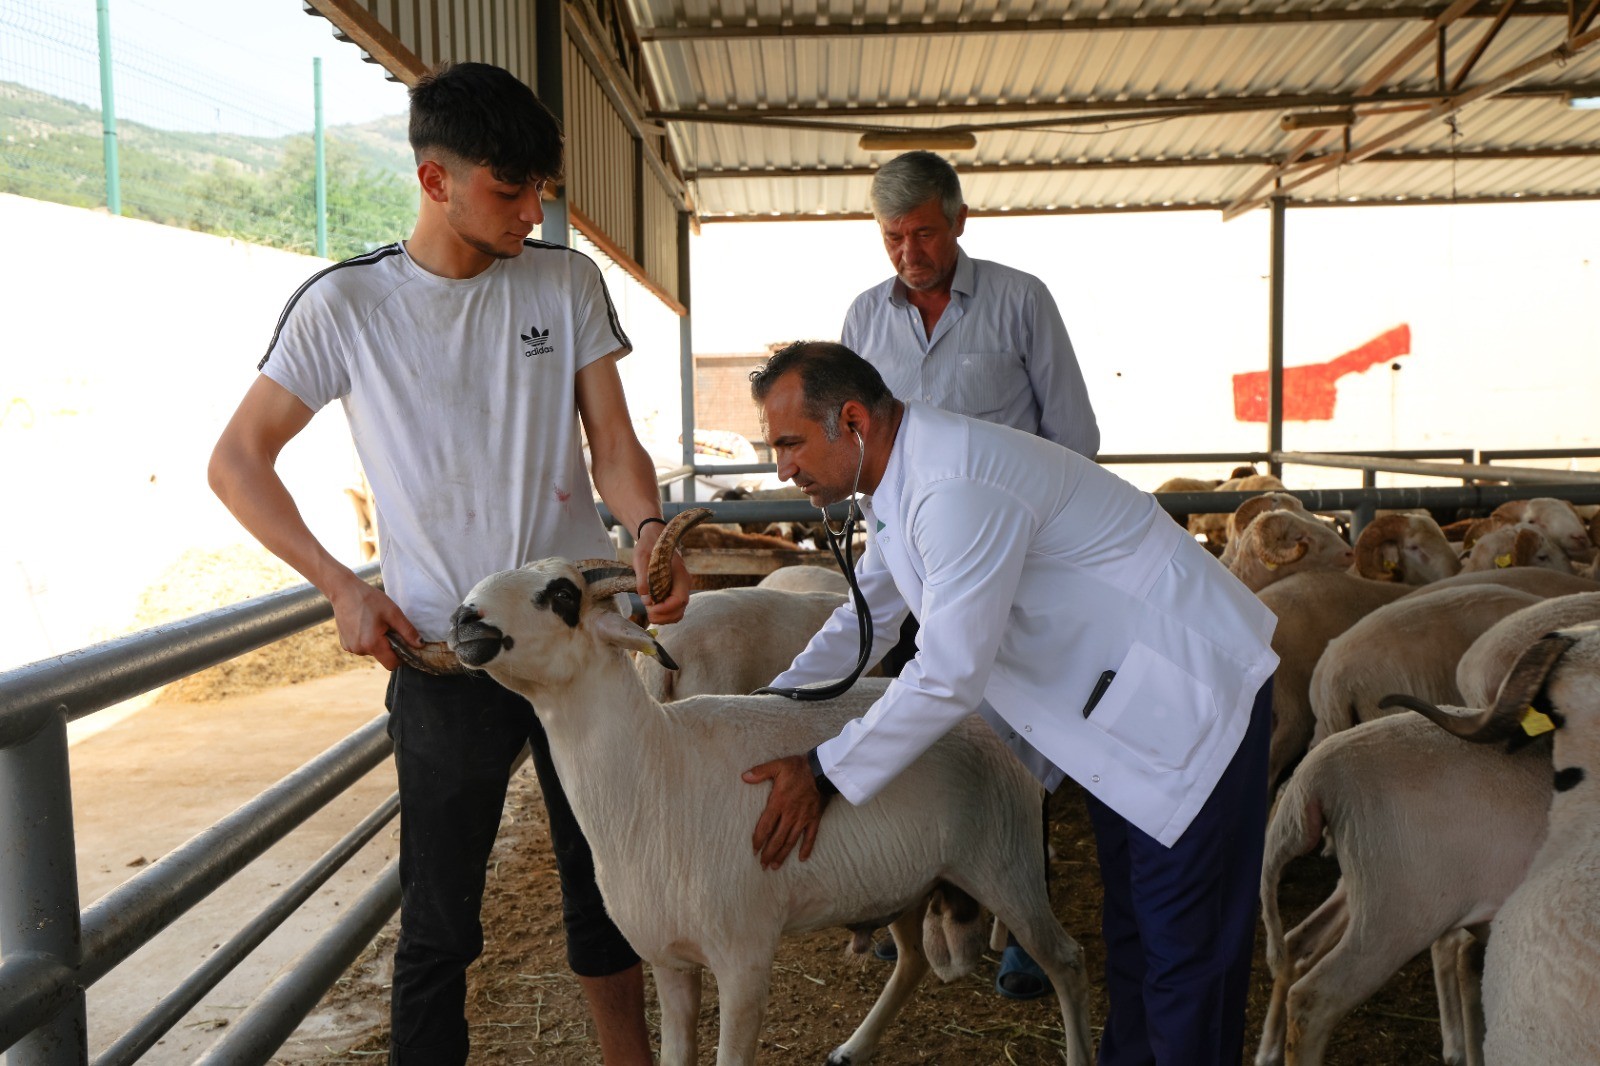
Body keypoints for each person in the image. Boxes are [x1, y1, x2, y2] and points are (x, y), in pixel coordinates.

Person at [207, 62, 688, 1066]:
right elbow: (237, 461)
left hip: (575, 637)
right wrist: (342, 584)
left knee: (610, 880)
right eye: (506, 193)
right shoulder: (346, 306)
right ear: (435, 181)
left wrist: (645, 532)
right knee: (439, 917)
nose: (530, 212)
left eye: (538, 191)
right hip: (444, 646)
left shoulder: (564, 281)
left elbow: (613, 440)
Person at [740, 342, 1277, 1066]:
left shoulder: (952, 485)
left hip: (1189, 699)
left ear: (854, 421)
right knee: (1135, 933)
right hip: (1120, 716)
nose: (781, 468)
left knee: (1185, 950)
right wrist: (761, 718)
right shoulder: (900, 485)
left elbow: (951, 672)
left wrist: (824, 769)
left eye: (789, 443)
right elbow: (865, 620)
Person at [843, 149, 1101, 991]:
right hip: (912, 565)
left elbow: (1073, 437)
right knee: (925, 727)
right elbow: (852, 437)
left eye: (923, 232)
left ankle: (1027, 923)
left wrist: (1033, 542)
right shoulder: (863, 319)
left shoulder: (1021, 300)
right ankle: (921, 905)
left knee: (1028, 736)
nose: (909, 252)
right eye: (893, 237)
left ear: (958, 220)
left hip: (1015, 566)